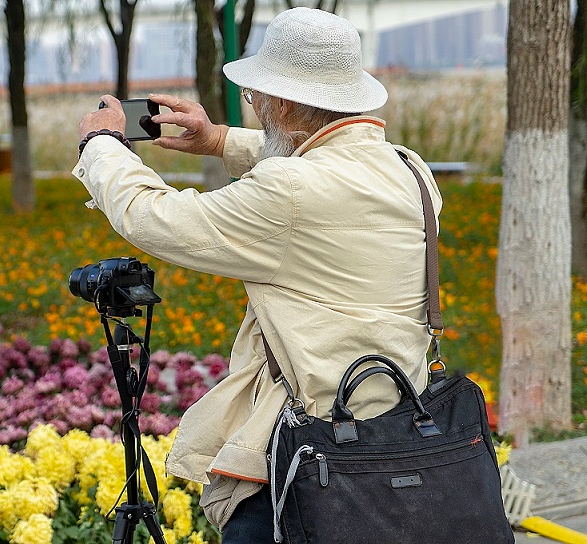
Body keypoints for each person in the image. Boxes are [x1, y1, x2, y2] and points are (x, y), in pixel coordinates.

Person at [73, 7, 442, 542]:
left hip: (306, 457)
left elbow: (156, 218)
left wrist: (101, 147)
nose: (257, 107)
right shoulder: (411, 171)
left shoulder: (291, 192)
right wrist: (219, 139)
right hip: (397, 433)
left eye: (257, 98)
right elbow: (323, 169)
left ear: (286, 103)